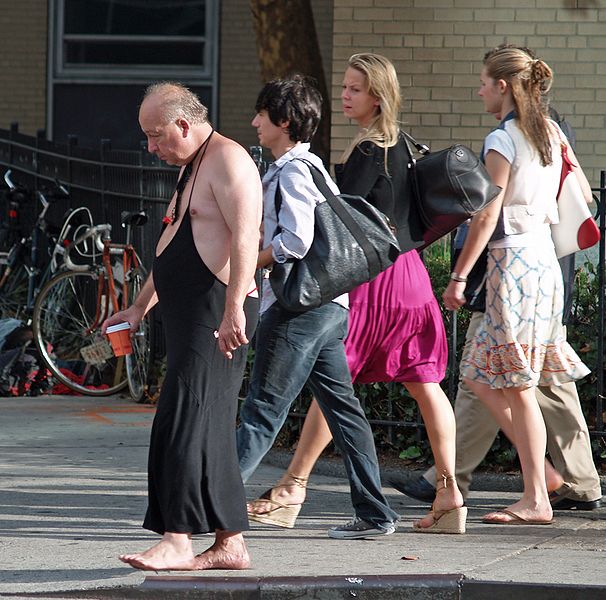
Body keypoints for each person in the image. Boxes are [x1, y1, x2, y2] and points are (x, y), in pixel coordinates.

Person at [243, 54, 466, 535]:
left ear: (377, 97)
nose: (344, 95)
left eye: (354, 89)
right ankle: (449, 494)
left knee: (335, 384)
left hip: (365, 279)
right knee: (420, 382)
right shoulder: (406, 146)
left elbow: (337, 228)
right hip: (410, 275)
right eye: (344, 87)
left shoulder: (367, 152)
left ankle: (291, 488)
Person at [102, 82, 262, 570]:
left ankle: (177, 537)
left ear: (184, 124)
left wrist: (234, 306)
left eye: (155, 135)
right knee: (207, 423)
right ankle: (230, 542)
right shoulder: (193, 163)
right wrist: (138, 307)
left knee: (182, 416)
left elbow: (246, 237)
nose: (151, 147)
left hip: (217, 308)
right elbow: (174, 237)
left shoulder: (229, 160)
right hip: (193, 308)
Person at [236, 74, 399, 539]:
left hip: (299, 309)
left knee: (262, 410)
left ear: (283, 121)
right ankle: (375, 514)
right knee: (343, 411)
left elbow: (297, 239)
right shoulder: (312, 167)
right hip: (332, 306)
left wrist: (251, 263)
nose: (254, 123)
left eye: (262, 116)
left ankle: (211, 506)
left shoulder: (290, 171)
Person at [442, 46, 592, 525]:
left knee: (518, 385)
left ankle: (537, 498)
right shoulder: (551, 133)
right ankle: (543, 478)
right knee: (479, 377)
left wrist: (460, 275)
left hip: (514, 265)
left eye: (485, 82)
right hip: (544, 262)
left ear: (504, 86)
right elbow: (580, 194)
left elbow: (487, 214)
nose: (479, 90)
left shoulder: (502, 139)